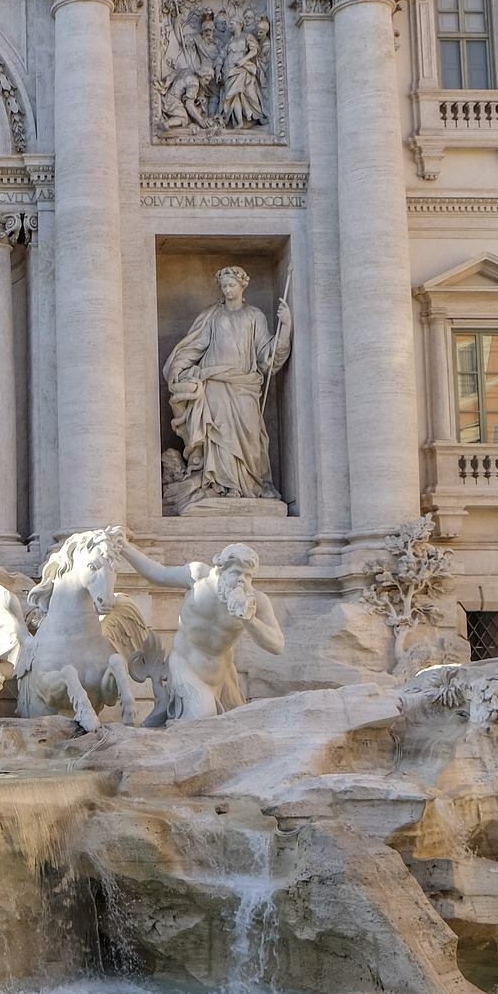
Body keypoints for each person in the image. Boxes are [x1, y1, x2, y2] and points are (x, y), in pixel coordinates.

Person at [114, 534, 285, 724]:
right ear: (221, 571)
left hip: (222, 673)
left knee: (234, 728)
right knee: (202, 718)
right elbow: (159, 574)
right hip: (186, 665)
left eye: (248, 575)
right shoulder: (197, 577)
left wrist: (249, 620)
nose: (242, 581)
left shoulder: (257, 602)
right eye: (236, 573)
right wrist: (125, 548)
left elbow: (277, 645)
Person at [163, 266, 292, 502]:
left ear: (242, 286)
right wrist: (177, 367)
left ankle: (250, 484)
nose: (227, 290)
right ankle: (221, 485)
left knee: (251, 436)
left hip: (244, 384)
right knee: (218, 434)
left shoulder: (255, 316)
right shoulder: (212, 315)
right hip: (214, 383)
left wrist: (285, 327)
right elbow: (194, 346)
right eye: (224, 286)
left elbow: (267, 356)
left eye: (231, 285)